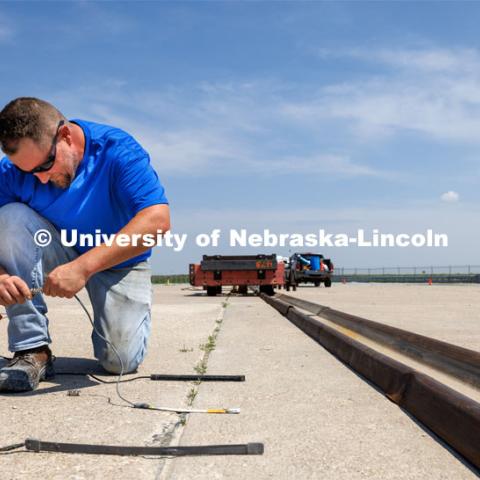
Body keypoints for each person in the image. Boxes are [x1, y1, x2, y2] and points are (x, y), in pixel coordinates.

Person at [0, 97, 170, 392]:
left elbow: (157, 220)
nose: (39, 179)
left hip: (119, 262)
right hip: (59, 249)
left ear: (65, 135)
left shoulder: (117, 150)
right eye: (28, 172)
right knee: (10, 217)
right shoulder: (11, 172)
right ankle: (32, 348)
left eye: (45, 165)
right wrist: (1, 276)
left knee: (121, 361)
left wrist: (83, 267)